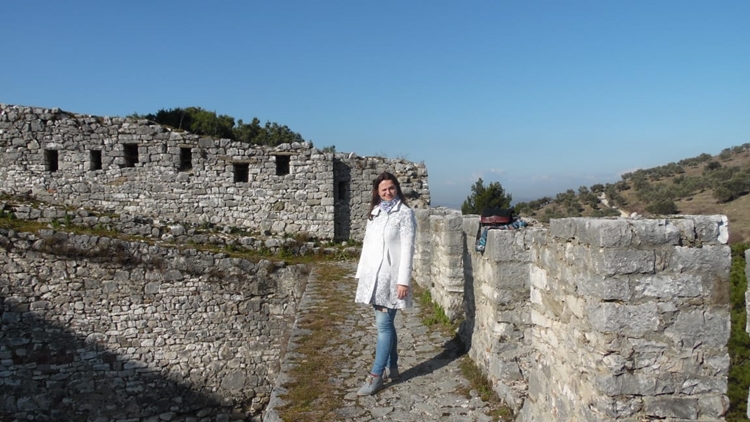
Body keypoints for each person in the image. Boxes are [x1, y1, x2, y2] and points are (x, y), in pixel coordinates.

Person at [354, 171, 417, 396]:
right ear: (377, 192)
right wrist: (361, 273)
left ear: (397, 188)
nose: (388, 192)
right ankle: (394, 367)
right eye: (383, 189)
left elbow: (408, 248)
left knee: (383, 326)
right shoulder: (375, 212)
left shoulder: (405, 214)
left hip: (391, 279)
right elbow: (367, 245)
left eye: (391, 188)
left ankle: (376, 376)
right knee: (386, 324)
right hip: (373, 278)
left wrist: (403, 281)